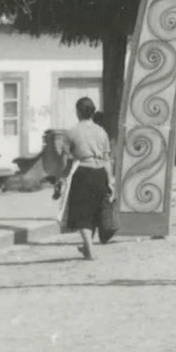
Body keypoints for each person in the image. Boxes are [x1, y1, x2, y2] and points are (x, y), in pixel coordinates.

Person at [57, 97, 113, 259]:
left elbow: (65, 160)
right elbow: (107, 159)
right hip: (100, 173)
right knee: (95, 211)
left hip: (83, 173)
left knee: (82, 213)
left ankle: (89, 248)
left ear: (78, 112)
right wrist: (110, 180)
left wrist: (62, 178)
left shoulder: (72, 132)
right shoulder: (101, 131)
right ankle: (87, 247)